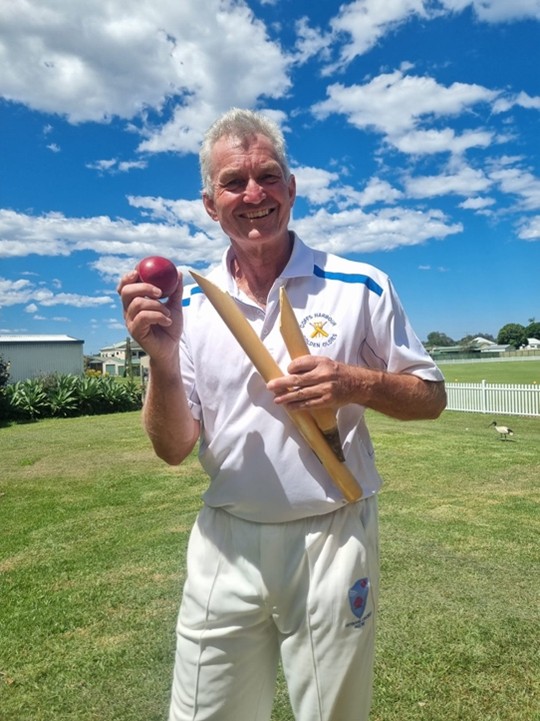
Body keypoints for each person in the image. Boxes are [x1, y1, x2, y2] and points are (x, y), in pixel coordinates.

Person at [118, 108, 446, 721]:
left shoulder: (359, 286)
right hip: (226, 540)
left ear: (291, 189)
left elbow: (430, 396)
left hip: (332, 534)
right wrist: (160, 359)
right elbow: (172, 447)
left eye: (268, 176)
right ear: (209, 205)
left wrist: (354, 383)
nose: (254, 194)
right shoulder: (187, 304)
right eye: (233, 182)